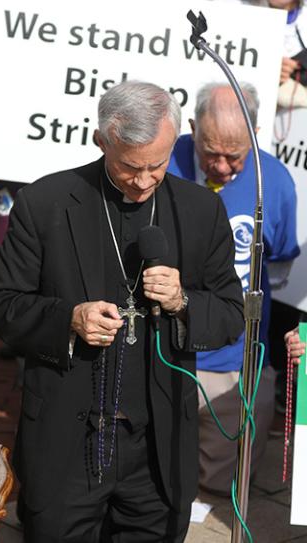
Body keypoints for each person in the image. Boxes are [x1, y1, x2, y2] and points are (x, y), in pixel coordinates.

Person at [0, 80, 244, 542]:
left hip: (157, 452)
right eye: (129, 167)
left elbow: (230, 313)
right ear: (102, 141)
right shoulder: (45, 203)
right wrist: (68, 319)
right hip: (67, 447)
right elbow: (1, 304)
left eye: (157, 166)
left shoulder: (200, 211)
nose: (143, 181)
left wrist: (184, 302)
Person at [168, 82, 300, 495]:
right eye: (211, 153)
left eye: (234, 155)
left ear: (255, 134)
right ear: (191, 127)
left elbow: (278, 269)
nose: (221, 166)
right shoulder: (160, 161)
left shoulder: (274, 181)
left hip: (233, 359)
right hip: (162, 348)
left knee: (219, 488)